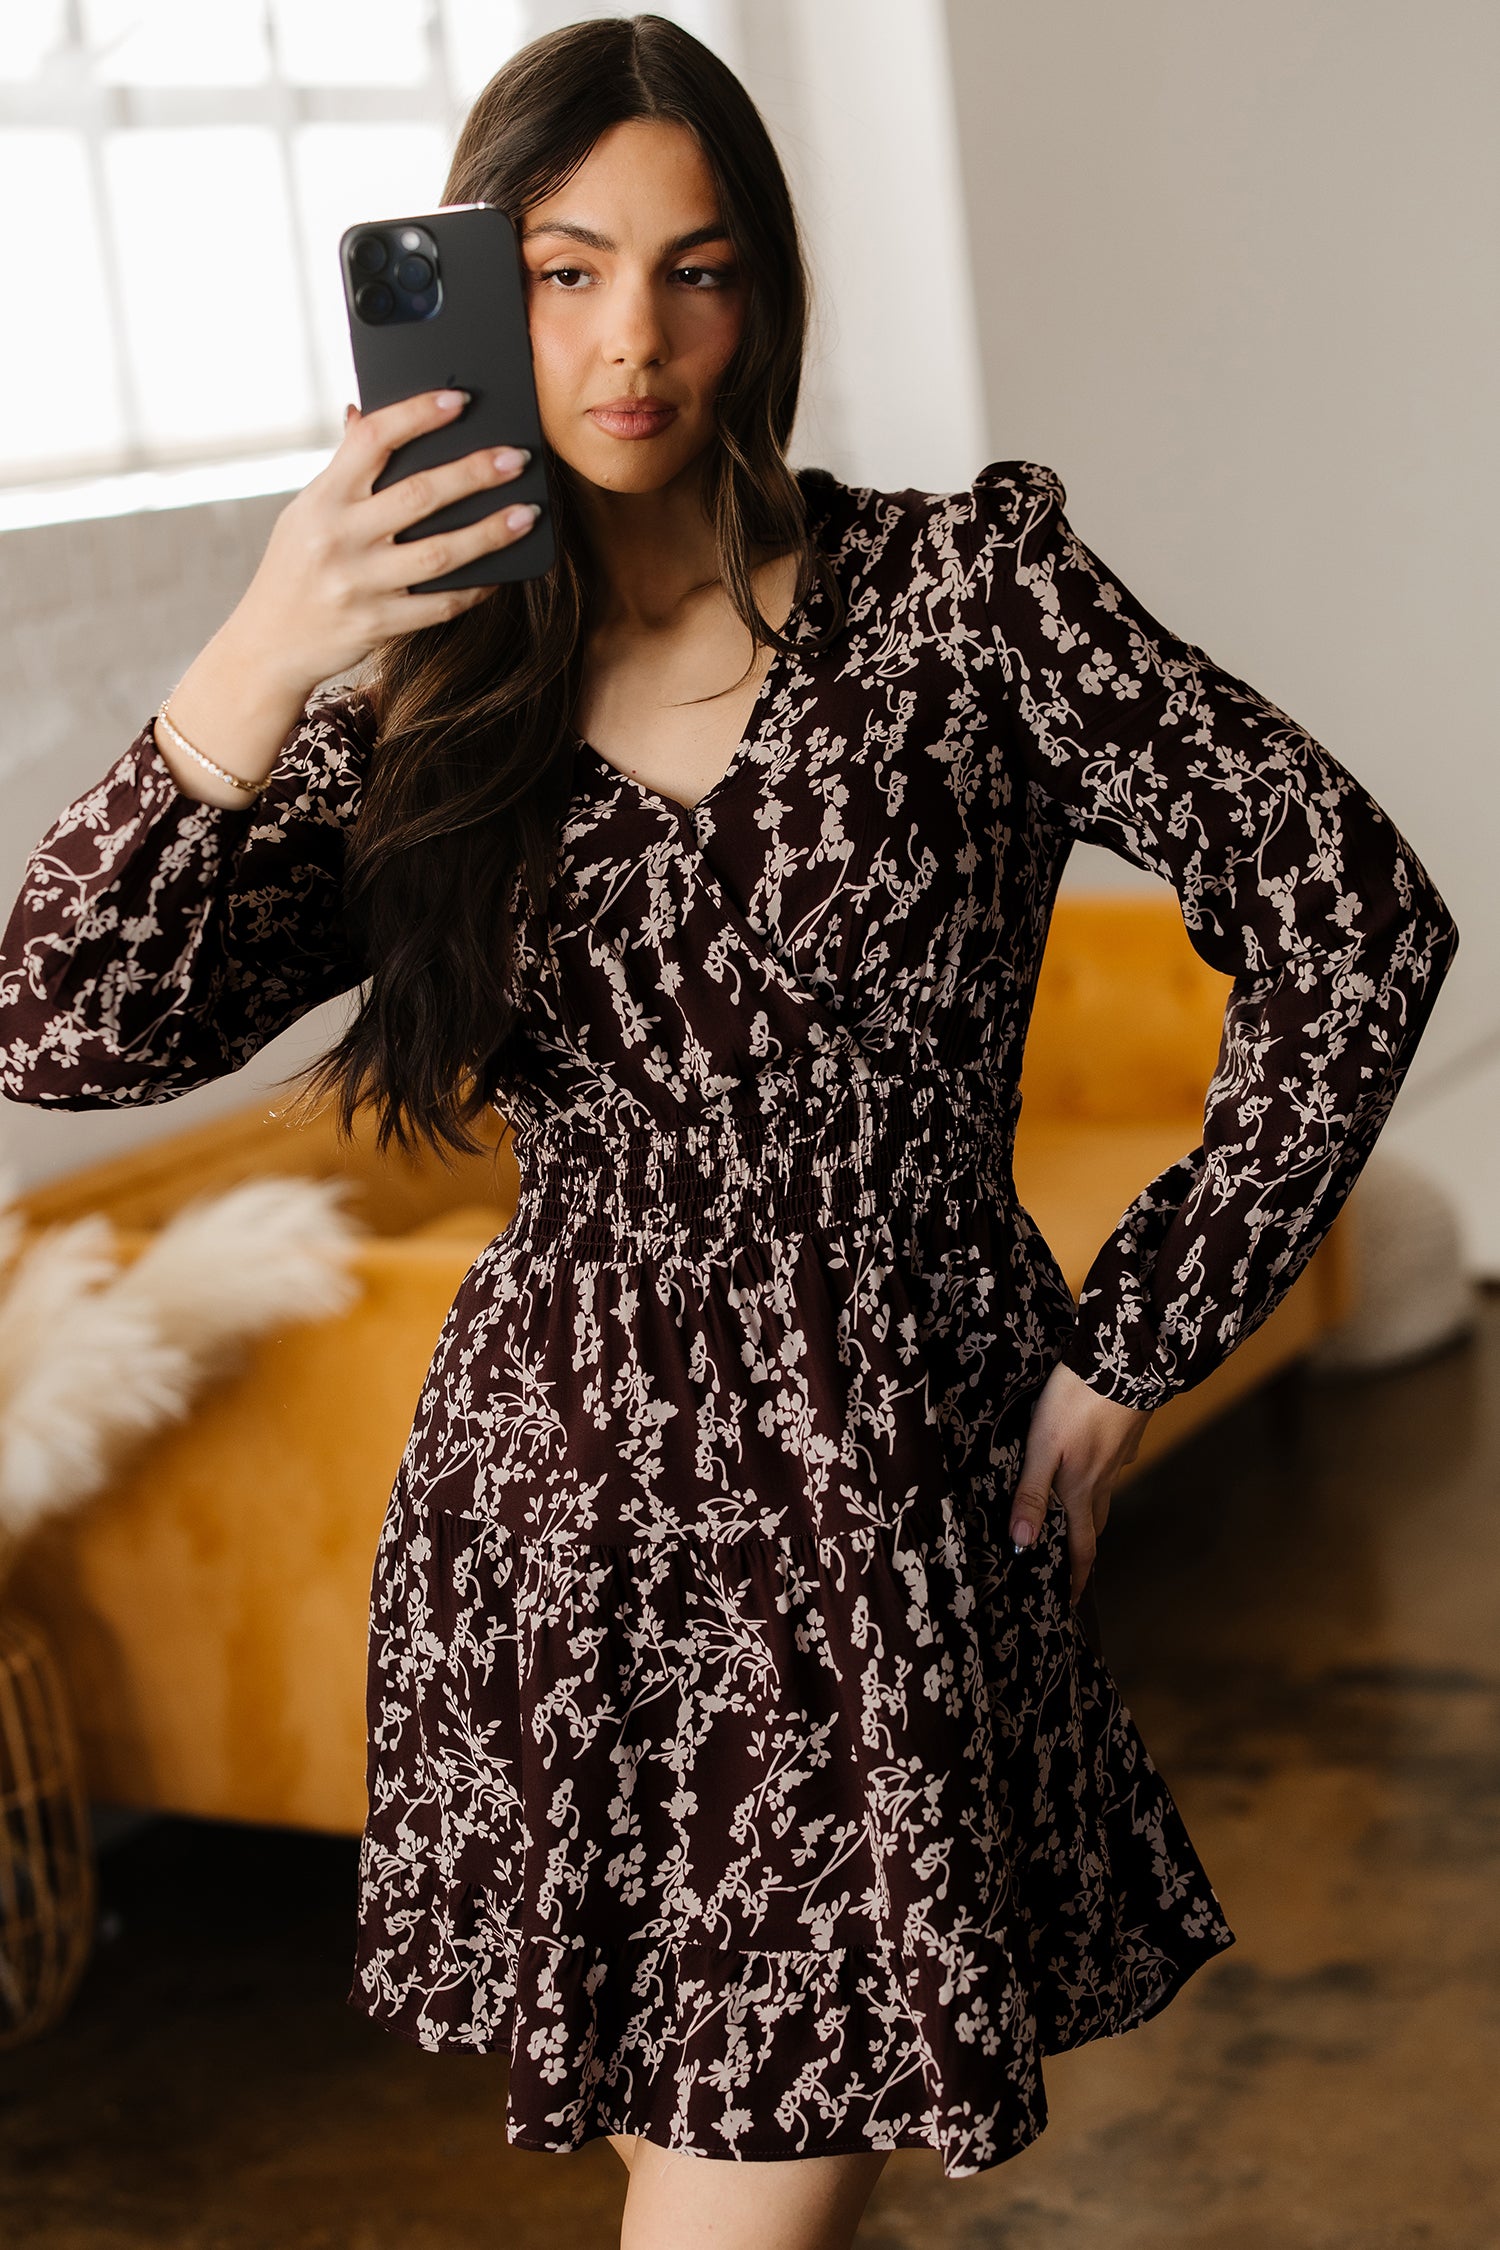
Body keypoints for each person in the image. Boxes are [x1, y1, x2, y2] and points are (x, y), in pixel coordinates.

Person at [0, 16, 1459, 2250]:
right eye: (565, 273)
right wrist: (267, 642)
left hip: (881, 1519)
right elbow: (57, 1023)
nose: (633, 341)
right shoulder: (429, 698)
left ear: (763, 294)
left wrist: (1138, 1339)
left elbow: (1350, 912)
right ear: (481, 301)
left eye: (695, 271)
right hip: (557, 1531)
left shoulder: (963, 601)